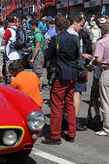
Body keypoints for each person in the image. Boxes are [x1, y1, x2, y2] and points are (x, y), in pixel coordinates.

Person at [42, 15, 79, 145]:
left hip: (60, 74)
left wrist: (47, 49)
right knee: (69, 104)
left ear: (56, 27)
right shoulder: (74, 38)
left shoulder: (55, 38)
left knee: (56, 105)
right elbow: (77, 56)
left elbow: (47, 56)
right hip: (72, 74)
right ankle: (71, 133)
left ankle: (55, 135)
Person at [67, 16, 93, 131]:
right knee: (77, 94)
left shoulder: (69, 34)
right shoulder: (73, 35)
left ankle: (67, 119)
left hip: (69, 67)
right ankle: (74, 120)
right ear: (75, 22)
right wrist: (83, 56)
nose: (82, 28)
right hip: (76, 66)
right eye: (81, 25)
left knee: (69, 94)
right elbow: (72, 52)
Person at [1, 15, 22, 84]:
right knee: (18, 73)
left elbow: (3, 43)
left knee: (10, 73)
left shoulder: (9, 30)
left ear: (7, 21)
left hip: (10, 55)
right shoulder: (18, 29)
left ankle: (11, 87)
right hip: (18, 54)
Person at [29, 19, 44, 92]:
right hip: (37, 55)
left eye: (30, 26)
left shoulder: (37, 34)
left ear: (34, 25)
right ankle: (38, 88)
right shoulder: (36, 33)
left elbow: (37, 47)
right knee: (36, 72)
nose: (29, 27)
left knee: (38, 73)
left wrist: (32, 58)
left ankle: (39, 88)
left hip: (38, 56)